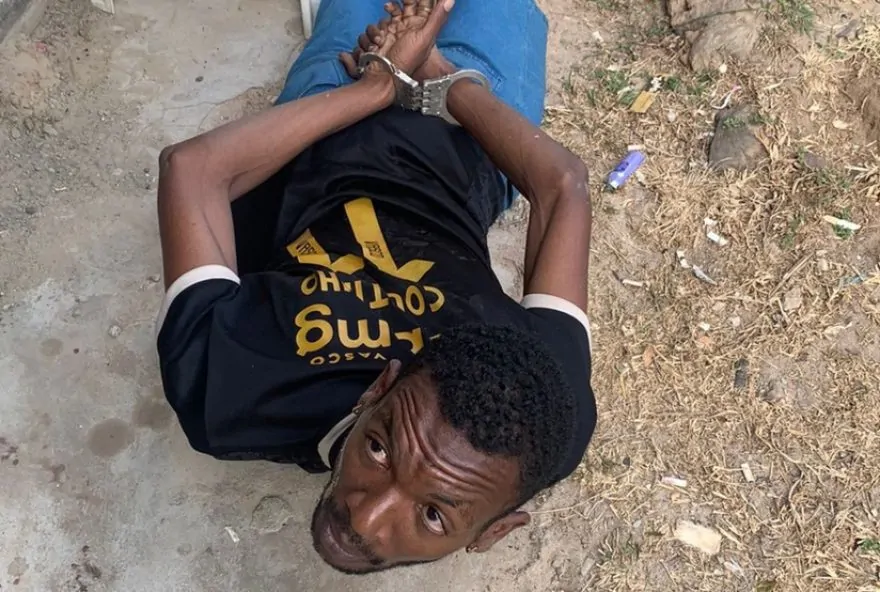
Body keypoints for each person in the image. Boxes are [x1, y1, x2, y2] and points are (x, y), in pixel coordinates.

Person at [155, 0, 596, 575]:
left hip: (321, 121)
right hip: (468, 138)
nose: (364, 519)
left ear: (494, 531)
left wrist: (374, 87)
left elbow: (191, 170)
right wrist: (441, 77)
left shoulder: (229, 393)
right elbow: (563, 186)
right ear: (378, 388)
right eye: (380, 446)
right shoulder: (549, 399)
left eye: (434, 515)